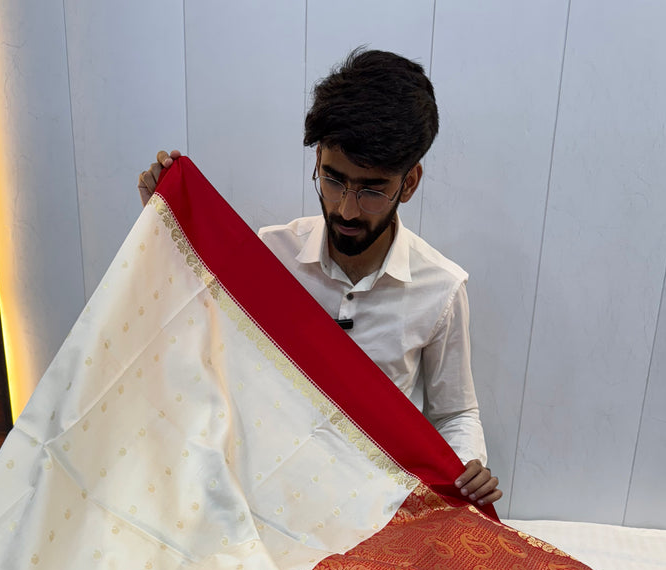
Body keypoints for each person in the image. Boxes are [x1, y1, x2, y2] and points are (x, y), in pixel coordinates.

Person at [138, 49, 501, 508]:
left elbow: (456, 412)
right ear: (317, 162)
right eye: (333, 180)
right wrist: (164, 223)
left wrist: (467, 467)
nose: (346, 209)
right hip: (268, 492)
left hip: (376, 504)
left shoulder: (441, 288)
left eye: (371, 190)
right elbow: (189, 330)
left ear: (409, 183)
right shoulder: (267, 256)